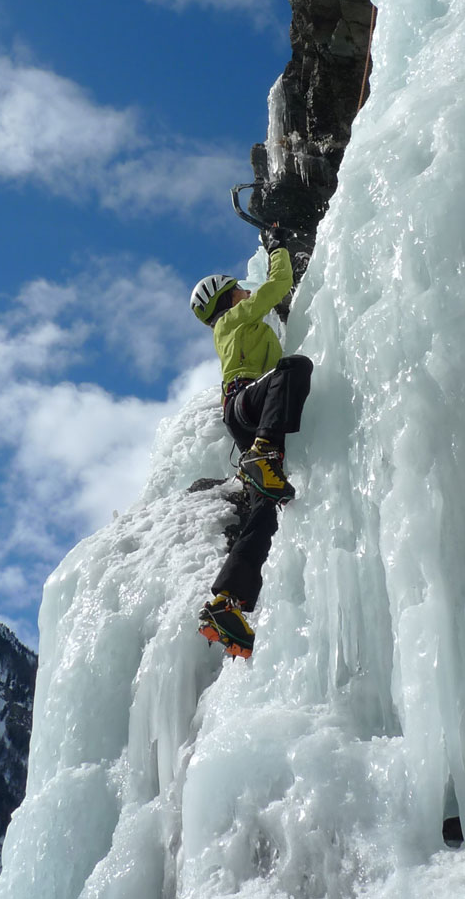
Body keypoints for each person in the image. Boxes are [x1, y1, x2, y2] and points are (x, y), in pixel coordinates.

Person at [189, 229, 313, 658]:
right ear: (229, 298)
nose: (246, 292)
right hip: (247, 405)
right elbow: (276, 287)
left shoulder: (237, 327)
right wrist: (279, 249)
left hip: (246, 414)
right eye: (240, 289)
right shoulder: (232, 319)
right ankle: (264, 452)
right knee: (293, 367)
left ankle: (227, 603)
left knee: (265, 511)